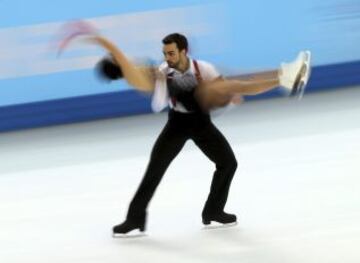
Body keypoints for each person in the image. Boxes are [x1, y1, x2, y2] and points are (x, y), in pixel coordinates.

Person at [61, 29, 311, 236]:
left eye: (171, 53)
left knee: (228, 161)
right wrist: (94, 37)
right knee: (154, 172)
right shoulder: (159, 73)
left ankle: (213, 211)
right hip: (177, 124)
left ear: (183, 51)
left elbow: (227, 87)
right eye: (165, 53)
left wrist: (230, 96)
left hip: (201, 118)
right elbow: (121, 57)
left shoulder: (202, 67)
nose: (167, 57)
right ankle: (135, 219)